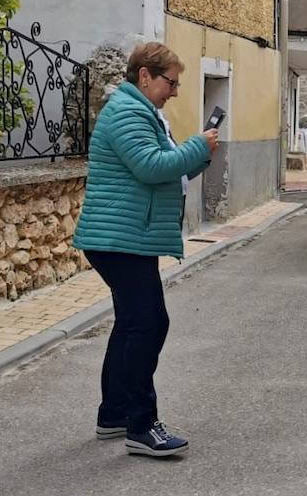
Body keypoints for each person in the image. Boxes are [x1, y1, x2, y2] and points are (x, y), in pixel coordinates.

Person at [73, 42, 217, 457]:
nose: (174, 91)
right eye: (170, 82)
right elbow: (152, 167)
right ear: (145, 76)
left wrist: (200, 156)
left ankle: (114, 414)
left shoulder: (141, 111)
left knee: (133, 324)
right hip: (119, 240)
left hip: (126, 237)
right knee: (148, 324)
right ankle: (141, 426)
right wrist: (195, 145)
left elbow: (164, 167)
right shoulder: (127, 112)